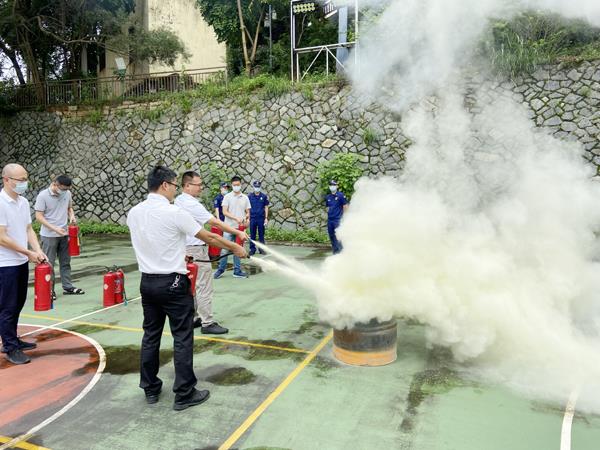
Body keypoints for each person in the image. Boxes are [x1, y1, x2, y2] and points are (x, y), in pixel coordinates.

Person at [127, 166, 247, 411]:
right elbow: (209, 237)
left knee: (150, 335)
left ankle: (150, 387)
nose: (175, 190)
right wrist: (235, 247)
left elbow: (153, 241)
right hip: (173, 283)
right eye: (173, 185)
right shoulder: (174, 212)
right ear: (164, 185)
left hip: (147, 283)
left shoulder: (134, 212)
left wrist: (178, 255)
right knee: (182, 337)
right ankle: (184, 393)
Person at [174, 171, 248, 335]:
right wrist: (238, 233)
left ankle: (195, 317)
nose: (201, 187)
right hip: (195, 250)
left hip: (184, 249)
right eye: (198, 185)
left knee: (192, 286)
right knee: (204, 286)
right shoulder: (192, 204)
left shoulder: (179, 200)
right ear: (187, 185)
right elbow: (215, 223)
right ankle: (207, 322)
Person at [0, 164, 47, 365]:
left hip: (20, 261)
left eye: (26, 179)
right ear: (6, 180)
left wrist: (38, 250)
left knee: (18, 303)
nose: (24, 183)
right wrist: (28, 253)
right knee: (7, 306)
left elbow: (28, 229)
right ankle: (10, 347)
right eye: (20, 180)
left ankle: (13, 339)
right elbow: (2, 238)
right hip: (5, 264)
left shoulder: (23, 202)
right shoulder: (1, 203)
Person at [34, 174, 84, 300]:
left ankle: (68, 287)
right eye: (63, 189)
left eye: (67, 189)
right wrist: (54, 228)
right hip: (49, 235)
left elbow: (69, 208)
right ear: (55, 184)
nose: (65, 191)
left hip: (64, 234)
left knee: (65, 262)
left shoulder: (67, 193)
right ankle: (49, 290)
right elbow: (39, 217)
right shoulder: (43, 196)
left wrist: (72, 216)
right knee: (49, 264)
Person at [214, 176, 251, 279]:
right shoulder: (227, 197)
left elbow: (248, 212)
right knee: (225, 249)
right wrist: (236, 218)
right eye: (234, 185)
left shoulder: (245, 198)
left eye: (238, 185)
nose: (236, 187)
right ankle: (220, 270)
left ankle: (237, 271)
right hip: (228, 228)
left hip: (240, 229)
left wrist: (247, 219)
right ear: (232, 185)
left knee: (238, 249)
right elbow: (224, 212)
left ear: (241, 185)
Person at [325, 180, 348, 254]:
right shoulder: (328, 197)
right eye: (331, 185)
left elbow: (345, 206)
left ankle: (342, 253)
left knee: (339, 237)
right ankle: (335, 253)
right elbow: (327, 207)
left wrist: (344, 217)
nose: (332, 186)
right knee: (332, 237)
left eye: (334, 185)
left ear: (337, 186)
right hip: (330, 220)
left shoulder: (340, 195)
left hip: (338, 220)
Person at [248, 180, 269, 256]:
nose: (257, 188)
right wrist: (248, 217)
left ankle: (261, 249)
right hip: (252, 218)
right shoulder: (249, 196)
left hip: (261, 218)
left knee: (261, 234)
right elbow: (248, 208)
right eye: (256, 187)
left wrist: (266, 218)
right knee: (252, 234)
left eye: (258, 187)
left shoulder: (264, 196)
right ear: (253, 187)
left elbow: (266, 207)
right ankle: (252, 249)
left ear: (260, 187)